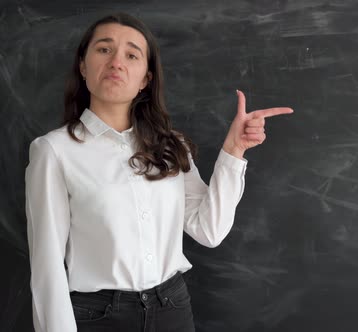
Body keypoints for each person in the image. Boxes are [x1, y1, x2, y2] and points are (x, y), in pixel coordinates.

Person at [24, 12, 293, 332]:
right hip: (99, 317)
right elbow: (47, 266)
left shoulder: (169, 145)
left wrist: (234, 151)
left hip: (172, 309)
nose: (116, 62)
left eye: (132, 54)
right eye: (104, 49)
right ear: (83, 66)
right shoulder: (54, 150)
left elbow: (209, 230)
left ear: (145, 79)